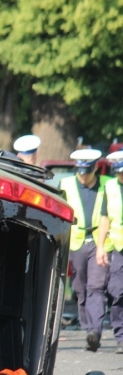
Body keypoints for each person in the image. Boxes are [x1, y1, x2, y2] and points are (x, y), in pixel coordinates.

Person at [60, 149, 112, 352]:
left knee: (96, 288)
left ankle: (94, 331)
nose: (83, 175)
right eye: (80, 171)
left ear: (95, 168)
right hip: (77, 242)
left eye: (87, 171)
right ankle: (87, 326)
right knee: (81, 290)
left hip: (101, 241)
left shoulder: (108, 184)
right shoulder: (66, 184)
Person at [95, 150, 123, 354]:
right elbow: (105, 218)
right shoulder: (111, 186)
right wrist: (101, 246)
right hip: (119, 247)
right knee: (117, 291)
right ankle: (121, 337)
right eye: (119, 172)